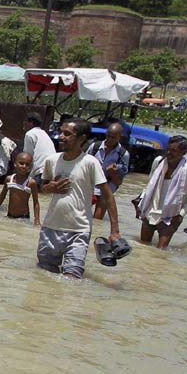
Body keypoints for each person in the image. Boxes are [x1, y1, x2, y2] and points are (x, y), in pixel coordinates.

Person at [37, 119, 122, 279]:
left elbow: (108, 195)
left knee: (72, 278)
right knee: (44, 276)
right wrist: (52, 188)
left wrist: (114, 230)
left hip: (78, 231)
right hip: (50, 228)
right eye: (61, 132)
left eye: (67, 134)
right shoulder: (52, 160)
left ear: (81, 139)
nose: (60, 137)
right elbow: (43, 188)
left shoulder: (90, 163)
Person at [136, 135, 187, 249]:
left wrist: (182, 213)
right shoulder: (158, 162)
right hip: (150, 211)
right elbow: (150, 184)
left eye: (173, 151)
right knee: (143, 247)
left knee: (160, 252)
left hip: (171, 216)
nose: (168, 153)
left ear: (184, 152)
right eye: (168, 149)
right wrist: (141, 201)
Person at [86, 122, 130, 220]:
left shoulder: (123, 154)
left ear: (120, 137)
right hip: (91, 182)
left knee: (98, 216)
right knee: (81, 212)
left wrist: (112, 172)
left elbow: (119, 181)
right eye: (108, 136)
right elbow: (83, 165)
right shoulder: (94, 147)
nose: (109, 139)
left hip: (108, 184)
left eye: (113, 137)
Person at [0, 152, 41, 225]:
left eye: (27, 165)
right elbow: (2, 197)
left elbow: (36, 202)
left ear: (30, 168)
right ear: (15, 163)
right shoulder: (9, 179)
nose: (24, 166)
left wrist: (37, 220)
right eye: (21, 163)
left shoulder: (31, 183)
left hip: (23, 217)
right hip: (9, 215)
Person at [22, 111, 56, 187]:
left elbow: (27, 157)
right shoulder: (43, 133)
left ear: (31, 123)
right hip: (51, 170)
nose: (24, 123)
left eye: (25, 121)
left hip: (40, 172)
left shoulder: (30, 134)